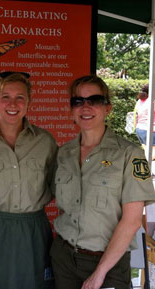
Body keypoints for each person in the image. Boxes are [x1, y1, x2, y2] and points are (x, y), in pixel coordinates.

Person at [51, 75, 155, 289]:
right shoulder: (64, 153)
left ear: (107, 108)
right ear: (71, 110)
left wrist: (99, 273)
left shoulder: (129, 154)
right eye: (78, 101)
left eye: (95, 100)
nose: (85, 107)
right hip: (64, 259)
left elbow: (132, 221)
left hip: (108, 264)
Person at [0, 71, 57, 289]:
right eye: (5, 96)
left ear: (28, 102)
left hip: (33, 230)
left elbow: (53, 183)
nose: (12, 103)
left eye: (20, 97)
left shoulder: (45, 141)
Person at [134, 84, 155, 155]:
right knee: (152, 155)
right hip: (150, 130)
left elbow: (136, 115)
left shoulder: (139, 101)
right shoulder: (152, 101)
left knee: (147, 153)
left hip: (139, 130)